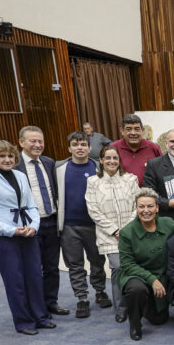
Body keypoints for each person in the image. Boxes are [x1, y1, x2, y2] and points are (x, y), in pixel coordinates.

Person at [0, 140, 55, 335]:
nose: (7, 159)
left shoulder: (20, 175)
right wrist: (11, 230)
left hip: (28, 233)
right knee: (14, 280)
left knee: (35, 277)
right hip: (5, 237)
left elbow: (32, 205)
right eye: (2, 156)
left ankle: (40, 316)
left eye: (10, 156)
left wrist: (34, 226)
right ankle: (24, 321)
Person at [55, 131, 110, 318]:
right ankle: (82, 298)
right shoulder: (59, 169)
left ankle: (100, 291)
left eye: (83, 144)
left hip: (94, 225)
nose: (80, 148)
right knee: (75, 264)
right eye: (75, 144)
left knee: (97, 261)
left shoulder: (98, 168)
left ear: (89, 147)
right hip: (69, 226)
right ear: (69, 147)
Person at [15, 126, 69, 316]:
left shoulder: (48, 162)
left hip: (52, 222)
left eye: (40, 141)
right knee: (33, 269)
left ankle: (51, 302)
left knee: (52, 267)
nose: (38, 145)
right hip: (28, 225)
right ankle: (36, 307)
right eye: (33, 141)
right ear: (21, 142)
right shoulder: (14, 165)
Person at [116, 188, 174, 340]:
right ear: (136, 208)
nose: (146, 210)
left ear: (157, 208)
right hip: (135, 275)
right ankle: (135, 324)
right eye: (141, 206)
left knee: (159, 320)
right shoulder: (127, 232)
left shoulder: (167, 223)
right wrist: (152, 280)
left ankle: (147, 305)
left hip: (161, 276)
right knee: (137, 290)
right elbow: (127, 264)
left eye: (150, 206)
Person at [85, 145, 140, 323]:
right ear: (101, 160)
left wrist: (126, 229)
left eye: (115, 158)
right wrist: (114, 230)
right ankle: (121, 308)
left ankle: (138, 304)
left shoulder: (130, 179)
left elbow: (138, 206)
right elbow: (93, 210)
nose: (111, 161)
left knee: (135, 268)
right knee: (118, 268)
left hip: (131, 233)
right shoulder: (93, 182)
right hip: (109, 235)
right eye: (107, 158)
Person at [110, 114, 162, 187]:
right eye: (128, 129)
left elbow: (163, 172)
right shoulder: (113, 148)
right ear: (122, 131)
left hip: (150, 195)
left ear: (143, 130)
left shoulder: (153, 148)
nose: (133, 133)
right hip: (122, 195)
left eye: (137, 129)